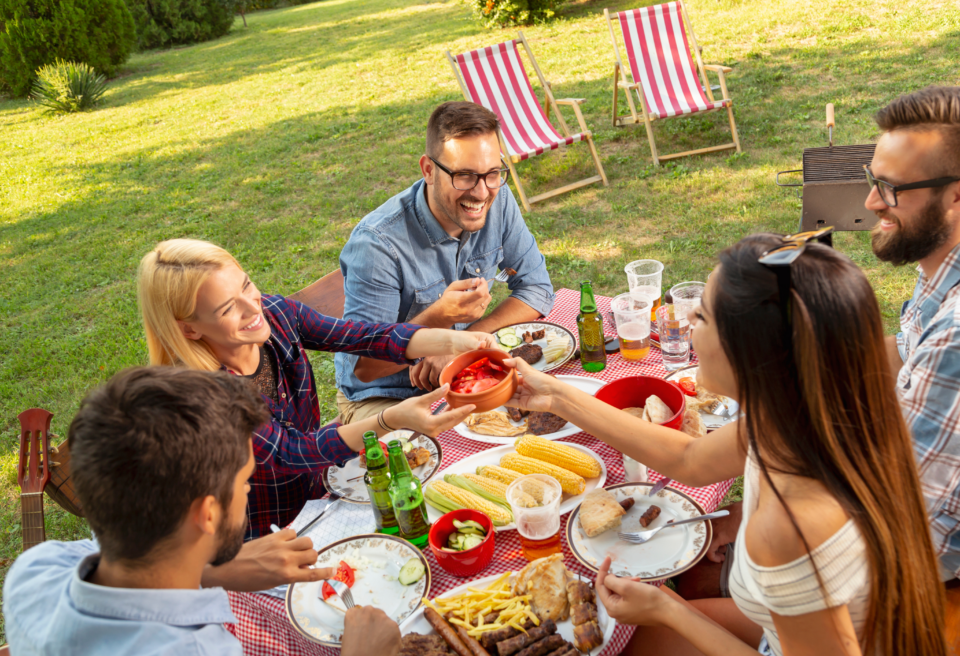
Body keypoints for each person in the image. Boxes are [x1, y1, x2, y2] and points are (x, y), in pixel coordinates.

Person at [504, 234, 947, 655]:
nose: (685, 326)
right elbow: (688, 458)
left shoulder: (788, 525)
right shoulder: (799, 415)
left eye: (702, 317)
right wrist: (557, 396)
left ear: (753, 353)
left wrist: (668, 609)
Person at [2, 367, 402, 656]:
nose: (246, 491)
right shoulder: (198, 648)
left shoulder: (33, 570)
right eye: (245, 481)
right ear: (207, 514)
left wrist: (212, 571)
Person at [138, 238, 494, 539]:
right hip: (263, 533)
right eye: (229, 308)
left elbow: (363, 337)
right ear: (189, 330)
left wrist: (454, 341)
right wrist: (388, 420)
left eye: (247, 285)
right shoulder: (203, 395)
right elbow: (289, 452)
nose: (253, 308)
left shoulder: (277, 314)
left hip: (323, 492)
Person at [334, 100, 555, 423]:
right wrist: (438, 321)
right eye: (464, 175)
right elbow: (366, 368)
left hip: (462, 371)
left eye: (493, 173)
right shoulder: (377, 245)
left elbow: (536, 288)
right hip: (386, 396)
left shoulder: (498, 198)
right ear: (428, 170)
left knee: (550, 408)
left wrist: (459, 347)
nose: (481, 193)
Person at [865, 86, 960, 585]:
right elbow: (905, 351)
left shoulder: (956, 339)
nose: (871, 201)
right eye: (873, 180)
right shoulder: (942, 262)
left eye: (891, 188)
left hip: (919, 562)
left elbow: (906, 515)